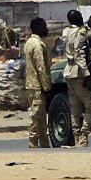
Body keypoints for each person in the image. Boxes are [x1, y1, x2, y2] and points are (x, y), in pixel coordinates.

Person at [62, 9, 91, 147]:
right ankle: (83, 135)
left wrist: (87, 26)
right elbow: (80, 55)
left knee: (75, 108)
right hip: (78, 73)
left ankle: (77, 136)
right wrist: (87, 75)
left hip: (69, 72)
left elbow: (78, 32)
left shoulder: (66, 32)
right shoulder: (81, 35)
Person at [22, 17, 52, 148]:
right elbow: (41, 67)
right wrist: (47, 86)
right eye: (44, 26)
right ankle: (33, 141)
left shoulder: (28, 42)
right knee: (36, 115)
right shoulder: (37, 45)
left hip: (30, 84)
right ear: (39, 28)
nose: (46, 29)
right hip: (37, 85)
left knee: (40, 117)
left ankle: (44, 142)